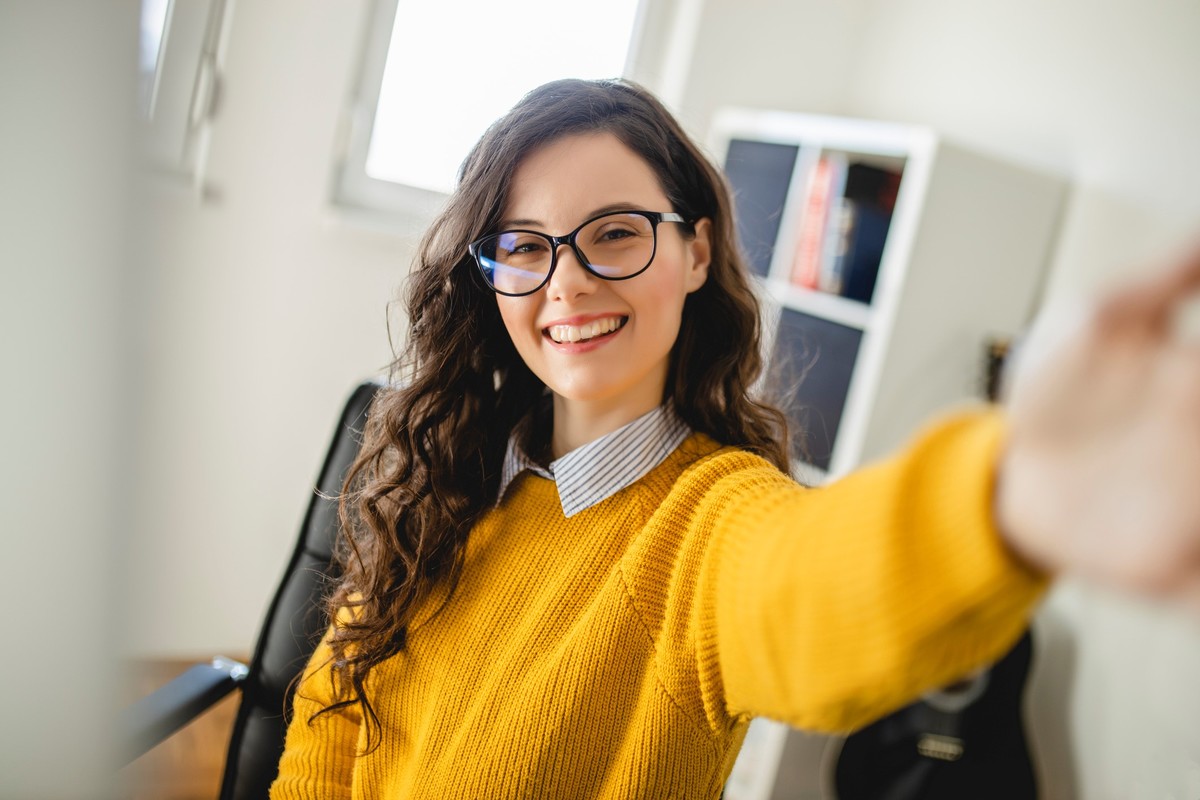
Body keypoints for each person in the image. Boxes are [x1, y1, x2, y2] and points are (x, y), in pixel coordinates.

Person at [270, 78, 1200, 799]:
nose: (568, 283)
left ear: (697, 252)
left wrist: (1011, 497)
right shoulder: (450, 476)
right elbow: (328, 723)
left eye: (615, 233)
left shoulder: (707, 527)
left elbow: (810, 593)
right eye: (523, 245)